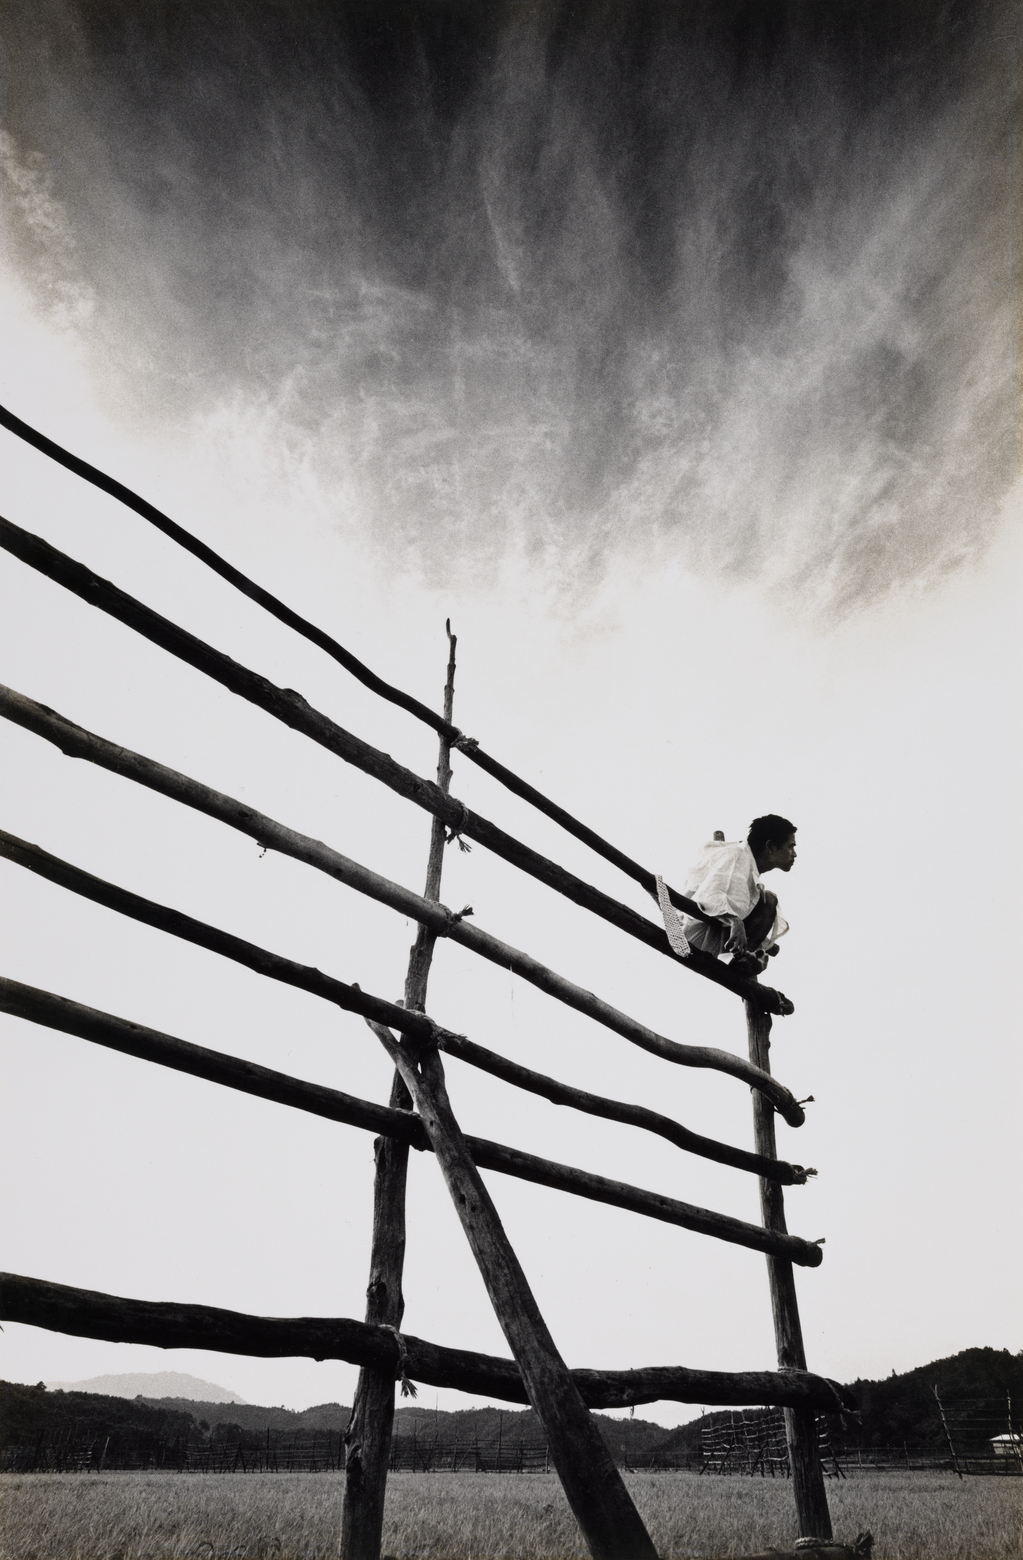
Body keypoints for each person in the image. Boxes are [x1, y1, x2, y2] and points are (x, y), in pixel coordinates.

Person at [674, 815, 797, 972]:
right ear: (771, 847)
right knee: (769, 900)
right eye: (790, 846)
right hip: (696, 936)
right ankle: (737, 960)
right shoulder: (739, 856)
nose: (794, 854)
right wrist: (735, 922)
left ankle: (743, 958)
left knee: (768, 900)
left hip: (715, 933)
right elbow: (712, 895)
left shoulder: (746, 859)